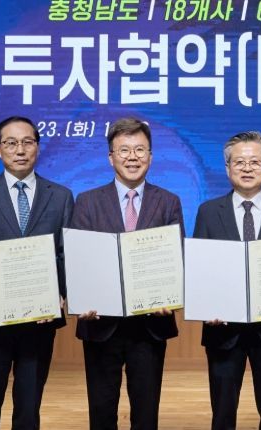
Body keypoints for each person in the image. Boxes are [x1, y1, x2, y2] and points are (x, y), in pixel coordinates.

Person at [0, 116, 74, 429]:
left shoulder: (61, 195)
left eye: (27, 142)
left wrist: (62, 295)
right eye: (11, 143)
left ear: (37, 146)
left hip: (40, 319)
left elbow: (65, 254)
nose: (20, 150)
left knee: (29, 406)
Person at [71, 118, 184, 430]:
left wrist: (170, 296)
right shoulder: (87, 201)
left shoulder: (168, 202)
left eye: (139, 150)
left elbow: (176, 258)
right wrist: (82, 298)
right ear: (111, 157)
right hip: (99, 324)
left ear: (150, 156)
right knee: (101, 412)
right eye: (124, 150)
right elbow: (79, 259)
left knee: (146, 415)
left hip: (150, 325)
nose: (132, 157)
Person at [193, 131, 261, 430]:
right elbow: (200, 269)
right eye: (239, 162)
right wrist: (206, 306)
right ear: (228, 168)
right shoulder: (208, 212)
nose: (247, 168)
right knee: (222, 415)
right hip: (223, 331)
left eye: (255, 162)